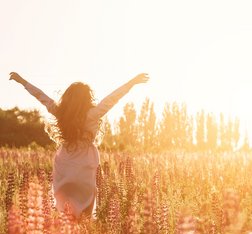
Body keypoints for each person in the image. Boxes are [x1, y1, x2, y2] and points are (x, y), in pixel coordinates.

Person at [9, 72, 149, 218]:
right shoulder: (92, 114)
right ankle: (84, 230)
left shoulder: (61, 112)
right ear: (86, 99)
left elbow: (41, 97)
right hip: (85, 161)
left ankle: (65, 230)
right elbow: (112, 99)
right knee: (85, 202)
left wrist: (23, 82)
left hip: (65, 160)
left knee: (64, 202)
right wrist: (131, 83)